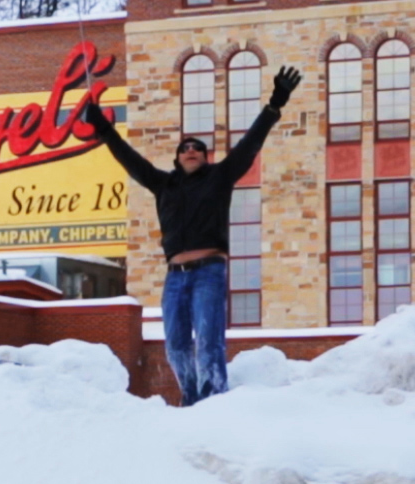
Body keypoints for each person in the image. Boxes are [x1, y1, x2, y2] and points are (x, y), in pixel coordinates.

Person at [85, 66, 302, 406]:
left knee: (209, 341)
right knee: (175, 345)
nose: (191, 151)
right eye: (185, 148)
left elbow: (249, 145)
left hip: (208, 273)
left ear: (205, 157)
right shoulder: (163, 184)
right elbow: (130, 160)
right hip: (174, 278)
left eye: (198, 148)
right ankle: (192, 396)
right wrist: (104, 130)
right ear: (177, 157)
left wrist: (275, 104)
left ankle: (214, 399)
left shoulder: (220, 177)